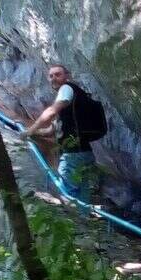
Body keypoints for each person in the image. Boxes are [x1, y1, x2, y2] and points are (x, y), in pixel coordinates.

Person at [24, 64, 106, 201]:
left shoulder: (66, 89)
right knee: (82, 197)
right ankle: (83, 214)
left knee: (68, 194)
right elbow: (52, 130)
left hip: (73, 156)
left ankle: (74, 213)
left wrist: (30, 130)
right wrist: (34, 133)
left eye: (58, 74)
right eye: (51, 76)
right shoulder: (74, 101)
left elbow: (51, 112)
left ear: (67, 76)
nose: (53, 78)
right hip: (85, 153)